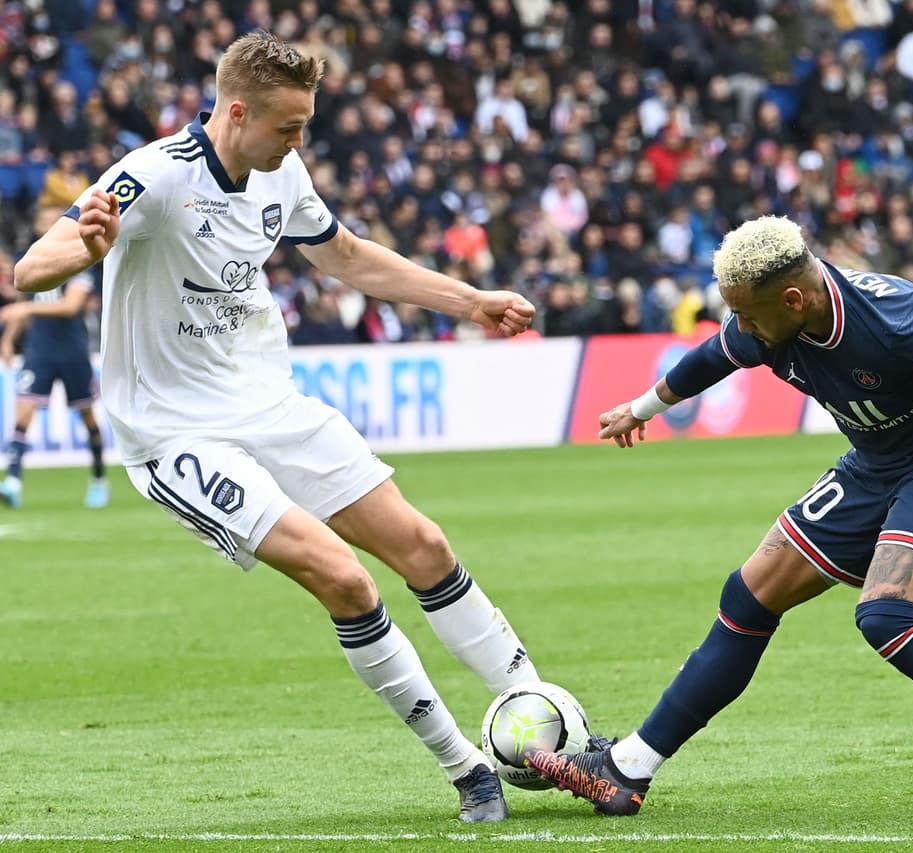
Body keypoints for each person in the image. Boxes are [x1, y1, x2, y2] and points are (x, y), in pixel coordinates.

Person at [13, 31, 542, 823]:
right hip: (176, 435)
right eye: (288, 127)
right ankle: (467, 768)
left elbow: (350, 257)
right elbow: (32, 265)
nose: (300, 142)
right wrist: (84, 247)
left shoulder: (281, 171)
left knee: (425, 547)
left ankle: (543, 723)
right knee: (346, 578)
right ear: (236, 110)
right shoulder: (155, 176)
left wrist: (472, 301)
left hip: (270, 404)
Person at [527, 215, 913, 818]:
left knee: (886, 616)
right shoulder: (762, 322)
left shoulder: (901, 323)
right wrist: (643, 407)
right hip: (875, 458)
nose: (737, 323)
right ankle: (627, 768)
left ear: (794, 301)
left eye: (746, 310)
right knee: (748, 596)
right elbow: (714, 356)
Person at [2, 209, 110, 509]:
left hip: (72, 351)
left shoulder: (80, 260)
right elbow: (23, 303)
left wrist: (25, 312)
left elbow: (71, 306)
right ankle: (13, 481)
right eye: (43, 219)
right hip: (39, 351)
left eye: (54, 218)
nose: (47, 223)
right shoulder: (33, 264)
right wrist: (9, 339)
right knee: (23, 413)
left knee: (88, 417)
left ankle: (99, 478)